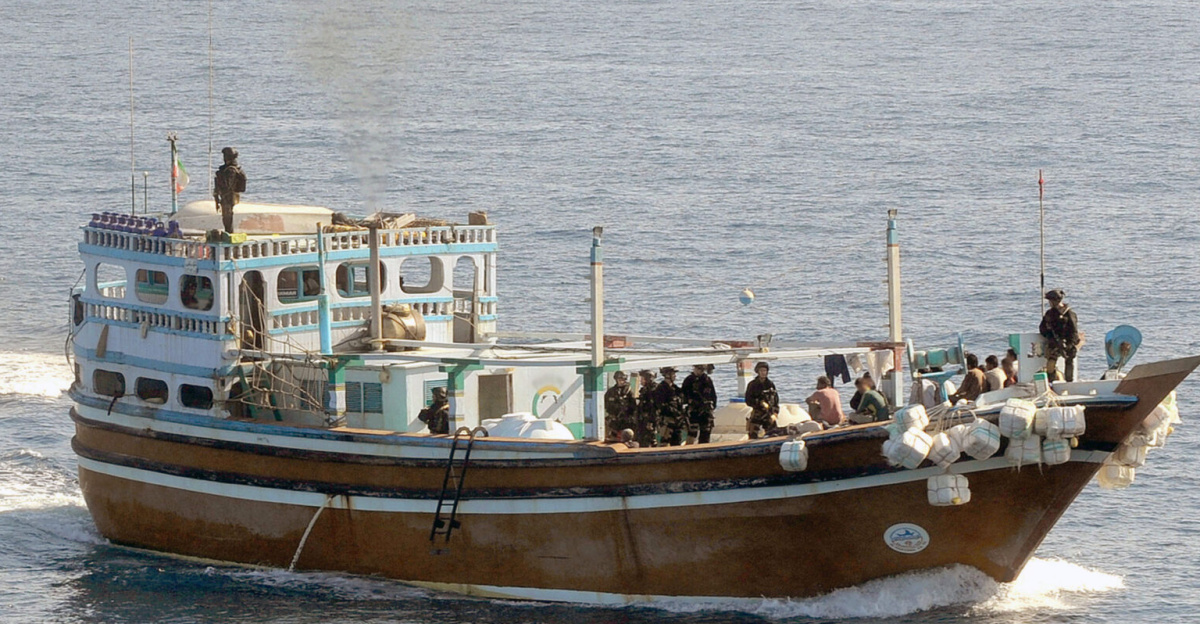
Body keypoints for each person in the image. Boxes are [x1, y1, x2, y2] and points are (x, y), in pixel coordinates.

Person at [1040, 289, 1081, 382]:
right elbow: (1043, 328)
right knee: (1050, 364)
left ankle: (1069, 382)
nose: (1050, 303)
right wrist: (1051, 337)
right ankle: (1051, 382)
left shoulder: (1069, 314)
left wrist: (1069, 344)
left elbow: (1074, 331)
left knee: (1069, 362)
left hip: (1068, 343)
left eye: (1051, 301)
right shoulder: (1050, 314)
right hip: (1055, 342)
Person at [213, 147, 247, 234]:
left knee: (227, 216)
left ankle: (229, 232)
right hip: (226, 196)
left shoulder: (230, 170)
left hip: (228, 196)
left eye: (225, 156)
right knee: (226, 216)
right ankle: (228, 231)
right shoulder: (226, 169)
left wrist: (219, 178)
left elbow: (227, 185)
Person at [682, 364, 718, 444]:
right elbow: (684, 396)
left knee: (706, 433)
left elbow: (713, 395)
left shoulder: (707, 380)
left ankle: (704, 449)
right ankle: (688, 450)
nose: (700, 371)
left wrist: (712, 407)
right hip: (694, 411)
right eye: (699, 369)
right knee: (692, 433)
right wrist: (691, 402)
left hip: (706, 411)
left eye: (702, 369)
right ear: (694, 368)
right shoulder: (689, 380)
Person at [744, 361, 779, 439]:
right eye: (761, 371)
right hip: (757, 413)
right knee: (752, 434)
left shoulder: (770, 384)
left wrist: (775, 413)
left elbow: (776, 400)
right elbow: (748, 400)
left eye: (765, 371)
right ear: (758, 372)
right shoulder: (752, 385)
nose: (763, 373)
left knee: (774, 434)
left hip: (769, 413)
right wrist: (759, 403)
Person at [653, 367, 687, 446]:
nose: (675, 376)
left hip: (677, 422)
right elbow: (660, 406)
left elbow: (682, 400)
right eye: (673, 374)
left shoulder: (675, 389)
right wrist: (674, 412)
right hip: (667, 423)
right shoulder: (661, 389)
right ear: (668, 375)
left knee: (677, 443)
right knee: (664, 443)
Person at [604, 371, 637, 442]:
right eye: (620, 379)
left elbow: (633, 406)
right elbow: (606, 404)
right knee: (612, 439)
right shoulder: (611, 391)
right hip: (614, 421)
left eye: (624, 379)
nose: (622, 381)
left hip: (626, 421)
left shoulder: (628, 392)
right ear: (616, 379)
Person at [634, 370, 659, 447]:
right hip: (643, 420)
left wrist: (651, 421)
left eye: (642, 378)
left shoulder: (653, 390)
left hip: (649, 420)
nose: (641, 381)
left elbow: (653, 407)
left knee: (649, 440)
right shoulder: (645, 390)